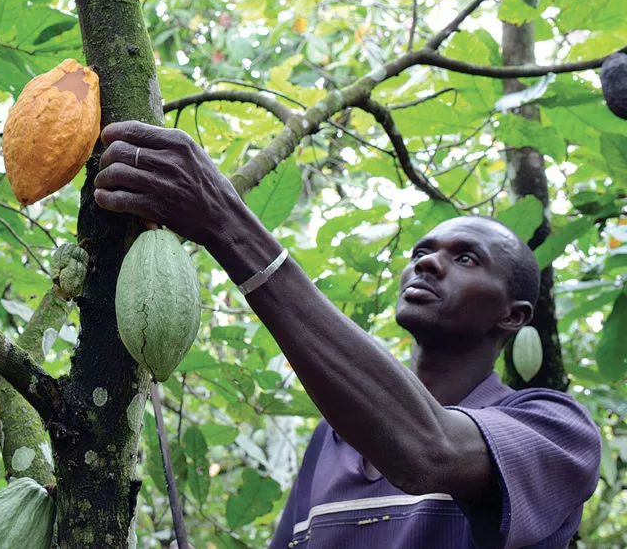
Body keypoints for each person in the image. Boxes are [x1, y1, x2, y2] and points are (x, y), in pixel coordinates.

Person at [93, 121, 601, 549]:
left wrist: (228, 225)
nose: (428, 263)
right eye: (420, 252)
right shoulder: (332, 440)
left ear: (513, 316)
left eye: (465, 258)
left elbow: (429, 449)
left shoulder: (555, 431)